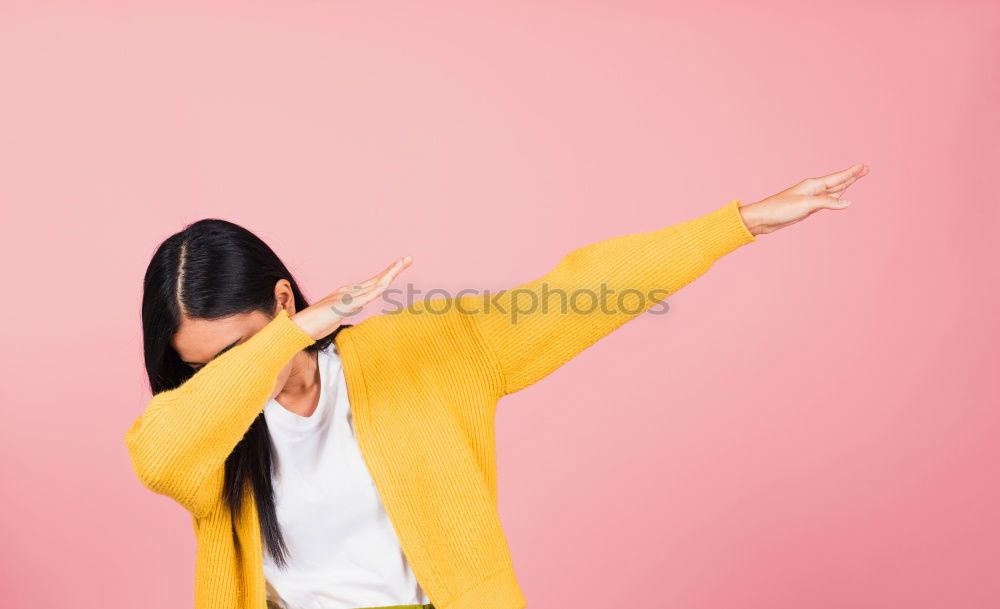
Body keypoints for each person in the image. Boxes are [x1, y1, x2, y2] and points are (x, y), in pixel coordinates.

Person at [126, 163, 869, 609]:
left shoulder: (421, 351)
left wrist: (736, 223)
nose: (231, 379)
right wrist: (283, 342)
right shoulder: (206, 438)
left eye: (243, 349)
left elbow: (578, 292)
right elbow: (155, 455)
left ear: (285, 297)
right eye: (206, 368)